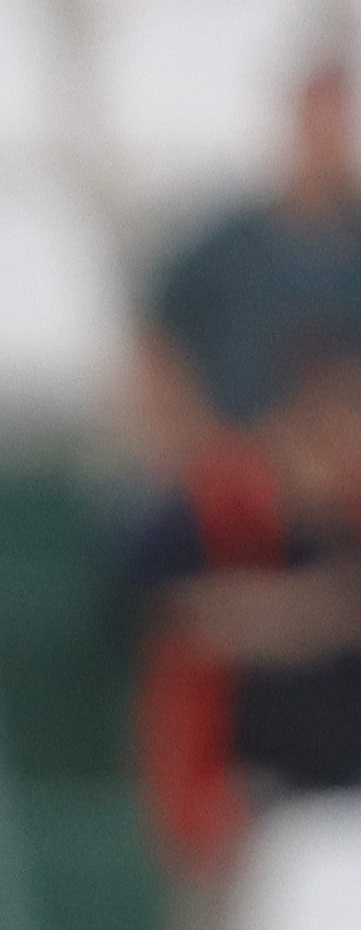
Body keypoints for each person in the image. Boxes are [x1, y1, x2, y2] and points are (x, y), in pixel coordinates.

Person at [122, 339, 361, 899]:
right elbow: (163, 613)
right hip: (237, 802)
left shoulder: (346, 516)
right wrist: (298, 613)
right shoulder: (210, 504)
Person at [140, 50, 361, 467]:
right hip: (245, 480)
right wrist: (198, 447)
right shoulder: (226, 250)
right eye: (318, 119)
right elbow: (156, 345)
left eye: (339, 121)